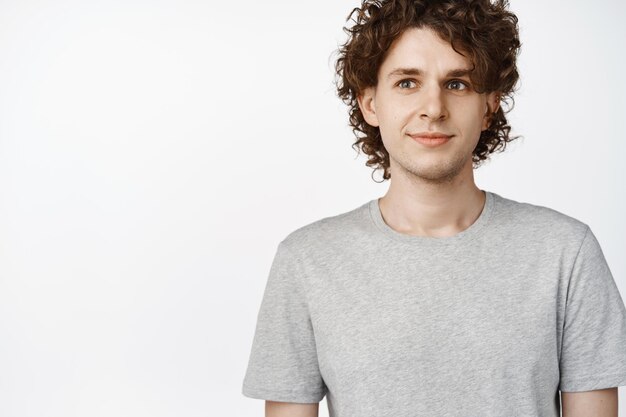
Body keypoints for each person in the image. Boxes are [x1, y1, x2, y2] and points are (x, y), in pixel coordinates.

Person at [241, 0, 626, 416]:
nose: (434, 108)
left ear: (489, 105)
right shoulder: (307, 260)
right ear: (371, 104)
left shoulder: (566, 253)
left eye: (457, 83)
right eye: (407, 82)